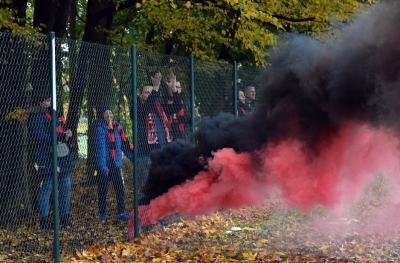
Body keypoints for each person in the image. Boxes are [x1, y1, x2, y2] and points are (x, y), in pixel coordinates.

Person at [28, 94, 73, 229]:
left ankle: (64, 217)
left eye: (51, 100)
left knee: (66, 185)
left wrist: (67, 134)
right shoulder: (37, 117)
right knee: (47, 186)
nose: (50, 103)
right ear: (41, 102)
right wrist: (58, 136)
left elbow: (62, 131)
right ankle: (44, 219)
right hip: (45, 156)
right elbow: (38, 136)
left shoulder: (58, 116)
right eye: (47, 100)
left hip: (62, 155)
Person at [137, 72, 173, 205]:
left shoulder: (159, 108)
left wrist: (172, 91)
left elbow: (176, 108)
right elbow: (145, 109)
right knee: (146, 188)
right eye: (146, 92)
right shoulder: (137, 107)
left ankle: (159, 216)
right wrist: (155, 87)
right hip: (146, 154)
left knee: (162, 186)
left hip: (161, 152)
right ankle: (143, 218)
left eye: (151, 92)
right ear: (140, 95)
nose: (149, 94)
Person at [95, 106, 134, 222]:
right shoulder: (100, 129)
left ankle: (121, 212)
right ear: (102, 115)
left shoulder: (118, 127)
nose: (108, 115)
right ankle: (102, 214)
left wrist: (133, 158)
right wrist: (102, 166)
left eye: (110, 113)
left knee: (119, 188)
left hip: (116, 163)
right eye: (106, 113)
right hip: (105, 164)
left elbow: (124, 144)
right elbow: (101, 149)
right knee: (103, 189)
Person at [163, 74, 187, 140]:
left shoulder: (186, 103)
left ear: (180, 89)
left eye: (176, 87)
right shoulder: (162, 101)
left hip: (183, 135)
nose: (173, 87)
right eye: (171, 86)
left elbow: (191, 120)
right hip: (167, 135)